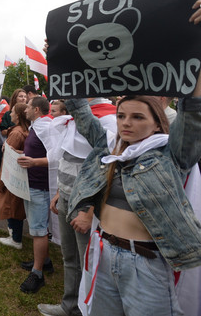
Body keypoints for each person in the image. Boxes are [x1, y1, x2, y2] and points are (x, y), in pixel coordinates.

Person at [62, 79, 201, 315]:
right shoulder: (109, 148)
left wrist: (195, 76)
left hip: (145, 263)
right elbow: (81, 113)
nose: (126, 123)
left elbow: (192, 115)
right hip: (104, 254)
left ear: (157, 124)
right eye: (121, 116)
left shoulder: (171, 154)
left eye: (138, 117)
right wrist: (65, 67)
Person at [38, 97, 116, 316]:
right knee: (69, 257)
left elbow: (108, 168)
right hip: (65, 197)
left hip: (85, 206)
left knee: (88, 262)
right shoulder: (72, 118)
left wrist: (90, 209)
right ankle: (69, 306)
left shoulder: (109, 119)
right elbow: (67, 158)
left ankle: (86, 311)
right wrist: (59, 192)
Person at [17, 96, 52, 293]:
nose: (25, 110)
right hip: (31, 184)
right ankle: (43, 260)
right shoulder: (36, 127)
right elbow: (34, 151)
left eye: (28, 107)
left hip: (40, 186)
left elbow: (56, 156)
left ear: (37, 109)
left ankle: (37, 273)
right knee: (35, 226)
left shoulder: (46, 128)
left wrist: (34, 163)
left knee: (39, 229)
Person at [0, 102, 30, 249]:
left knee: (11, 207)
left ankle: (15, 238)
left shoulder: (16, 133)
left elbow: (8, 159)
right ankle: (15, 236)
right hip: (19, 176)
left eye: (13, 112)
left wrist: (1, 180)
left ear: (18, 115)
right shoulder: (24, 130)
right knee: (15, 206)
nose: (10, 114)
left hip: (12, 176)